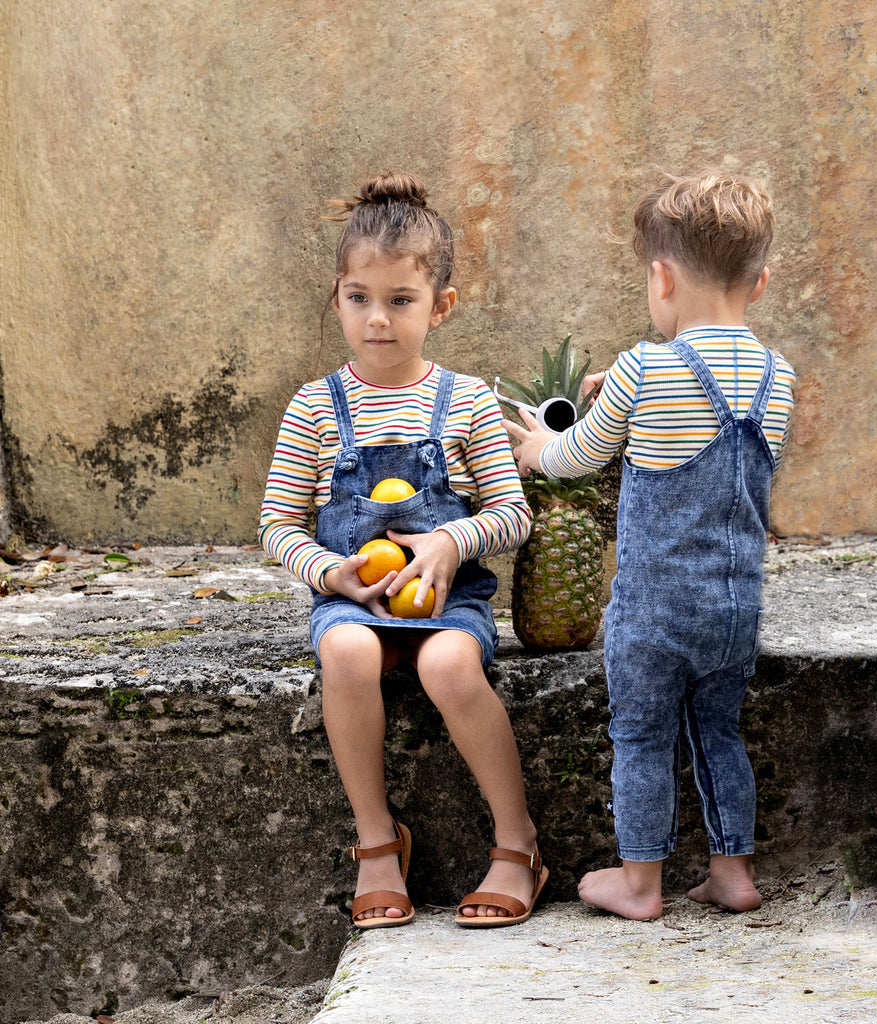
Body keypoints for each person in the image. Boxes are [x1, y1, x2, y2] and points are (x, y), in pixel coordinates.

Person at [504, 171, 796, 919]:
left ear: (660, 276)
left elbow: (576, 458)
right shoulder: (779, 375)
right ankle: (733, 873)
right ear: (758, 284)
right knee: (718, 733)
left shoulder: (643, 368)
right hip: (734, 610)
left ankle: (639, 882)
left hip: (653, 614)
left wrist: (538, 445)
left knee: (639, 735)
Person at [260, 172, 547, 930]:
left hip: (447, 601)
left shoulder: (468, 400)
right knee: (348, 655)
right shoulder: (316, 406)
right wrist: (332, 574)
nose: (376, 319)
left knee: (448, 664)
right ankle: (378, 843)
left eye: (400, 300)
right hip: (354, 600)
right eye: (360, 298)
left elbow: (512, 513)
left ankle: (518, 844)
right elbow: (278, 524)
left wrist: (454, 539)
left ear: (440, 306)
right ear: (337, 297)